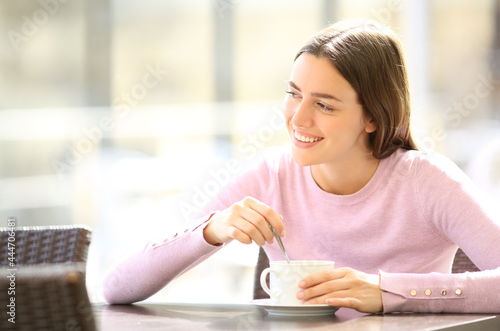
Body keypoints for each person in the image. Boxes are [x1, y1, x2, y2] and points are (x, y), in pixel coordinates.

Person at [103, 19, 500, 313]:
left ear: (373, 118)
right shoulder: (269, 175)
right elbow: (116, 286)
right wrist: (210, 231)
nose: (298, 118)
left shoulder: (426, 181)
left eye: (324, 105)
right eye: (294, 94)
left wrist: (386, 290)